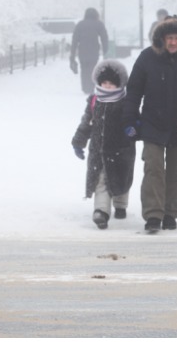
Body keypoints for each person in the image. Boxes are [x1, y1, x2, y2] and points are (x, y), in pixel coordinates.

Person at [122, 15, 177, 232]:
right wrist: (130, 119)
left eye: (176, 38)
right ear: (161, 39)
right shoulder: (147, 58)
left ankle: (170, 212)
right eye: (169, 37)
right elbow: (133, 91)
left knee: (175, 172)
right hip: (152, 123)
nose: (172, 42)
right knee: (153, 169)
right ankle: (153, 214)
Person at [72, 59, 135, 229]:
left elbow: (134, 120)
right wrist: (79, 141)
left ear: (119, 84)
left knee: (121, 178)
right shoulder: (94, 100)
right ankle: (101, 212)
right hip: (98, 150)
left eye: (111, 84)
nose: (107, 87)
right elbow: (86, 123)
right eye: (104, 83)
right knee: (101, 180)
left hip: (121, 150)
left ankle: (120, 205)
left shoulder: (125, 101)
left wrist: (133, 129)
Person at [70, 7, 109, 94]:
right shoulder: (98, 24)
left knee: (84, 68)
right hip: (94, 50)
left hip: (82, 50)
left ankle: (85, 88)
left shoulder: (80, 24)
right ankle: (90, 88)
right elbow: (104, 37)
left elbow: (75, 40)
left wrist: (72, 54)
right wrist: (105, 50)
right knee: (92, 68)